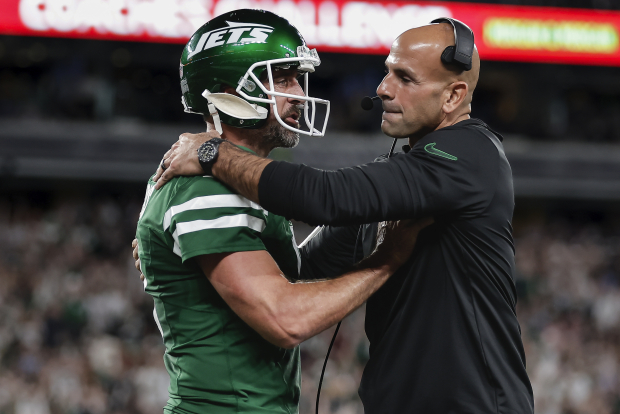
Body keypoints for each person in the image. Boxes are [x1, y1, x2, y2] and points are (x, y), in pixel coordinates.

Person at [151, 20, 535, 414]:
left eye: (404, 77)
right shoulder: (406, 182)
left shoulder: (471, 156)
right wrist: (168, 251)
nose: (383, 88)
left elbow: (326, 198)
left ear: (454, 95)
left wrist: (213, 153)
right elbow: (299, 266)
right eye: (388, 72)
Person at [134, 9, 430, 414]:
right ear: (227, 88)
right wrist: (387, 259)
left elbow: (291, 269)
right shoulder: (205, 187)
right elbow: (284, 319)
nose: (299, 94)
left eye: (298, 78)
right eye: (282, 78)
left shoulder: (230, 178)